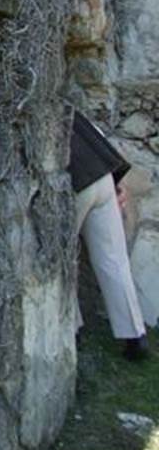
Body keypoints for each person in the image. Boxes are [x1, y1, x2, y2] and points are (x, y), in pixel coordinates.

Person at [69, 110, 149, 361]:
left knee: (61, 259)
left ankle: (73, 328)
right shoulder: (67, 106)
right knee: (114, 259)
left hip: (76, 184)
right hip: (103, 177)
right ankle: (134, 336)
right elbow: (97, 136)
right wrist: (116, 182)